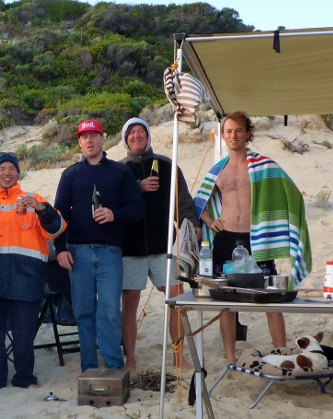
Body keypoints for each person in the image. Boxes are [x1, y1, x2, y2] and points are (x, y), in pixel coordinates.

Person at [194, 111, 312, 361]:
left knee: (269, 296)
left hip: (256, 239)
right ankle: (230, 357)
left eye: (238, 130)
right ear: (222, 135)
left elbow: (292, 193)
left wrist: (277, 222)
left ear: (248, 133)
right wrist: (210, 221)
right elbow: (199, 203)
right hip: (225, 239)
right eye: (228, 131)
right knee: (225, 298)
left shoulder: (263, 165)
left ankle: (280, 351)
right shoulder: (219, 169)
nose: (233, 136)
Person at [0, 152, 66, 392]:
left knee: (24, 333)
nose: (7, 172)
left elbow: (57, 229)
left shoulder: (33, 199)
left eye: (11, 168)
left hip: (26, 279)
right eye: (2, 168)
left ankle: (25, 377)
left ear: (18, 173)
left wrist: (40, 209)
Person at [54, 119, 144, 372]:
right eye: (84, 137)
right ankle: (89, 368)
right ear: (79, 142)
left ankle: (115, 368)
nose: (89, 140)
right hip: (78, 252)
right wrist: (60, 248)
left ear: (104, 138)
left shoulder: (119, 171)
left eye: (94, 135)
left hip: (110, 252)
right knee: (83, 312)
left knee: (110, 312)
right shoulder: (70, 174)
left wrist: (114, 214)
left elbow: (137, 207)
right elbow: (59, 215)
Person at [120, 117, 200, 371]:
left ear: (148, 135)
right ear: (125, 139)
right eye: (131, 132)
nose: (136, 135)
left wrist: (192, 225)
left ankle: (178, 356)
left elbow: (184, 202)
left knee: (176, 299)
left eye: (140, 131)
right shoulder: (119, 170)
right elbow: (115, 200)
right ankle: (131, 358)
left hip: (163, 247)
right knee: (130, 301)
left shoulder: (167, 165)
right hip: (130, 248)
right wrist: (137, 187)